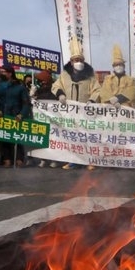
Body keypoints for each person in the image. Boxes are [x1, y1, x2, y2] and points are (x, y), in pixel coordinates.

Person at [52, 36, 101, 170]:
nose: (78, 62)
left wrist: (92, 100)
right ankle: (73, 160)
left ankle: (90, 160)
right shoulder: (64, 75)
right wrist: (60, 94)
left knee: (87, 137)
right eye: (75, 60)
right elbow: (56, 86)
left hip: (86, 112)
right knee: (72, 137)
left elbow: (97, 90)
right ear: (71, 61)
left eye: (80, 60)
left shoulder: (90, 76)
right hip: (70, 112)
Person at [0, 65, 30, 167]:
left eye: (3, 72)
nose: (1, 74)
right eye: (0, 72)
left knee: (17, 138)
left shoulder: (20, 87)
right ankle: (7, 159)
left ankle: (19, 159)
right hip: (3, 116)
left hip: (16, 116)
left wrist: (22, 114)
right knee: (4, 137)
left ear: (10, 73)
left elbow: (26, 103)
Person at [30, 70, 59, 168]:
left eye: (43, 80)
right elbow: (31, 103)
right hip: (40, 120)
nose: (41, 82)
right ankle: (43, 159)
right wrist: (32, 96)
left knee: (52, 140)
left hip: (51, 119)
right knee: (42, 139)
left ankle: (54, 159)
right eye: (40, 80)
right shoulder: (38, 91)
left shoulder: (54, 90)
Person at [100, 44, 135, 109]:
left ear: (124, 66)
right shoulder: (108, 79)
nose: (118, 66)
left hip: (125, 109)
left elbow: (132, 93)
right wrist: (113, 101)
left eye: (120, 64)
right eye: (116, 65)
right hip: (110, 108)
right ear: (113, 67)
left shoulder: (131, 80)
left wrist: (118, 99)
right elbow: (104, 93)